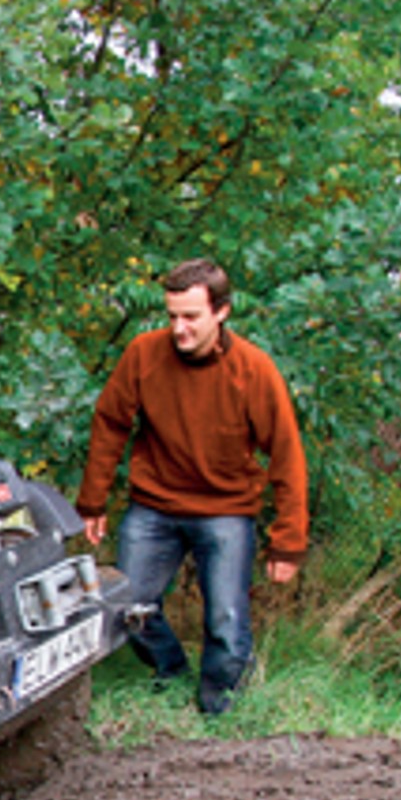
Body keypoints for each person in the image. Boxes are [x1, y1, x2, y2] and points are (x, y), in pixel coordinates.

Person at [76, 258, 308, 715]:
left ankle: (219, 709)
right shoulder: (144, 355)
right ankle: (171, 672)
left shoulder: (253, 371)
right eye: (172, 316)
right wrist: (92, 501)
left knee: (225, 618)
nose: (179, 329)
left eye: (191, 317)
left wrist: (288, 542)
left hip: (226, 508)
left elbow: (285, 453)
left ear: (221, 312)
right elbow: (110, 425)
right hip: (155, 505)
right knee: (129, 608)